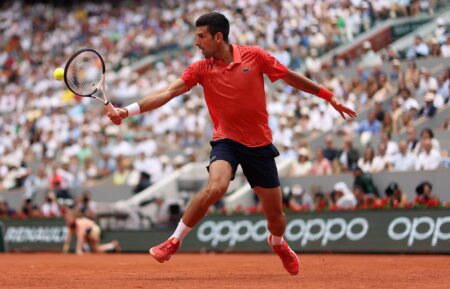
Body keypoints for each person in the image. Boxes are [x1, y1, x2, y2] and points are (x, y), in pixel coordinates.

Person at [107, 12, 356, 275]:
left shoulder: (255, 56)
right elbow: (168, 92)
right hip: (226, 140)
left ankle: (277, 243)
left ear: (218, 37)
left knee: (276, 218)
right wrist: (127, 111)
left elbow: (289, 76)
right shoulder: (200, 69)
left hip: (259, 145)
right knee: (216, 186)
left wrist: (328, 96)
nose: (196, 42)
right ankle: (173, 241)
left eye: (201, 36)